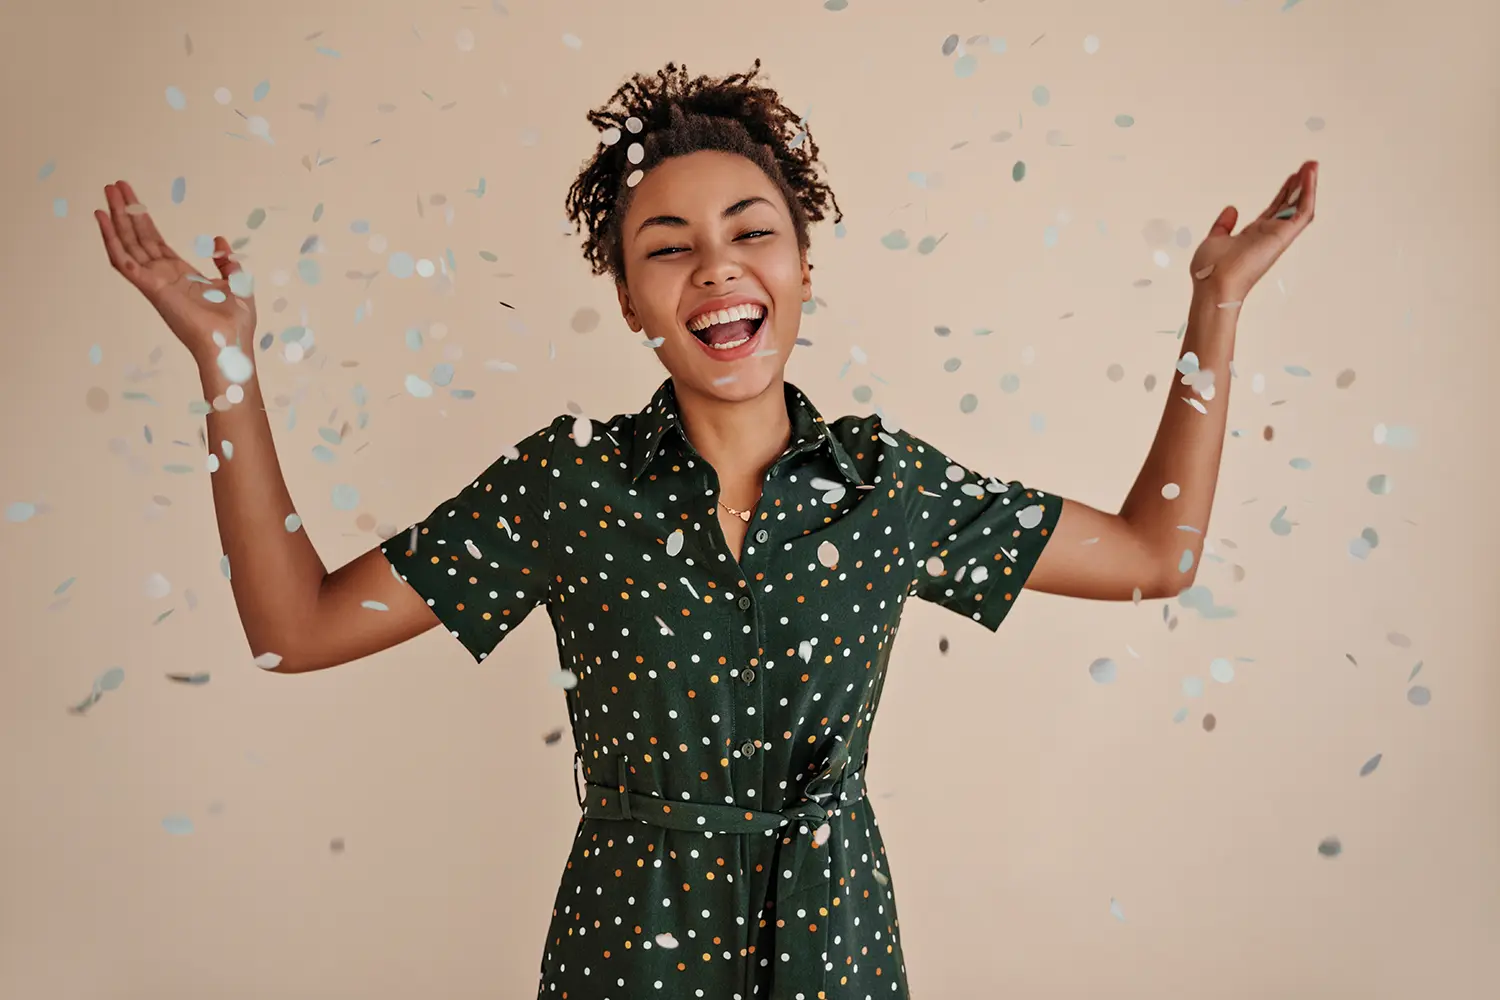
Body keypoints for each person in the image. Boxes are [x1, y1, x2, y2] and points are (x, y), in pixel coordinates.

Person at [95, 59, 1316, 1000]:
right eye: (667, 249)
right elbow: (294, 627)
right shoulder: (567, 488)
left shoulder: (887, 488)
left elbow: (1158, 556)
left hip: (837, 950)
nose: (716, 271)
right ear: (629, 297)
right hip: (630, 959)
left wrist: (1215, 304)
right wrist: (227, 364)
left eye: (752, 233)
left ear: (800, 262)